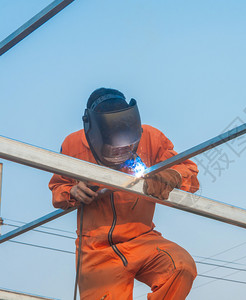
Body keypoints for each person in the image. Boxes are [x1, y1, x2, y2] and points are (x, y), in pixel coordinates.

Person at [49, 88, 199, 300]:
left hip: (143, 238)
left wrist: (172, 174)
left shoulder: (151, 137)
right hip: (95, 249)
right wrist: (71, 191)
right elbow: (58, 188)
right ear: (94, 130)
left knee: (181, 267)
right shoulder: (72, 144)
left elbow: (188, 172)